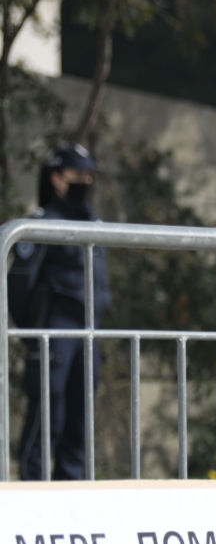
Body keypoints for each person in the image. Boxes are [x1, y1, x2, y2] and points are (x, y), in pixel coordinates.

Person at [8, 143, 111, 480]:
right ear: (56, 178)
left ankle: (73, 500)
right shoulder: (42, 224)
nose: (85, 180)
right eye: (77, 174)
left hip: (89, 333)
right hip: (55, 329)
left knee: (80, 422)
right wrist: (29, 333)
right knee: (48, 417)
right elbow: (18, 285)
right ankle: (30, 496)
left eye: (89, 175)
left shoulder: (95, 223)